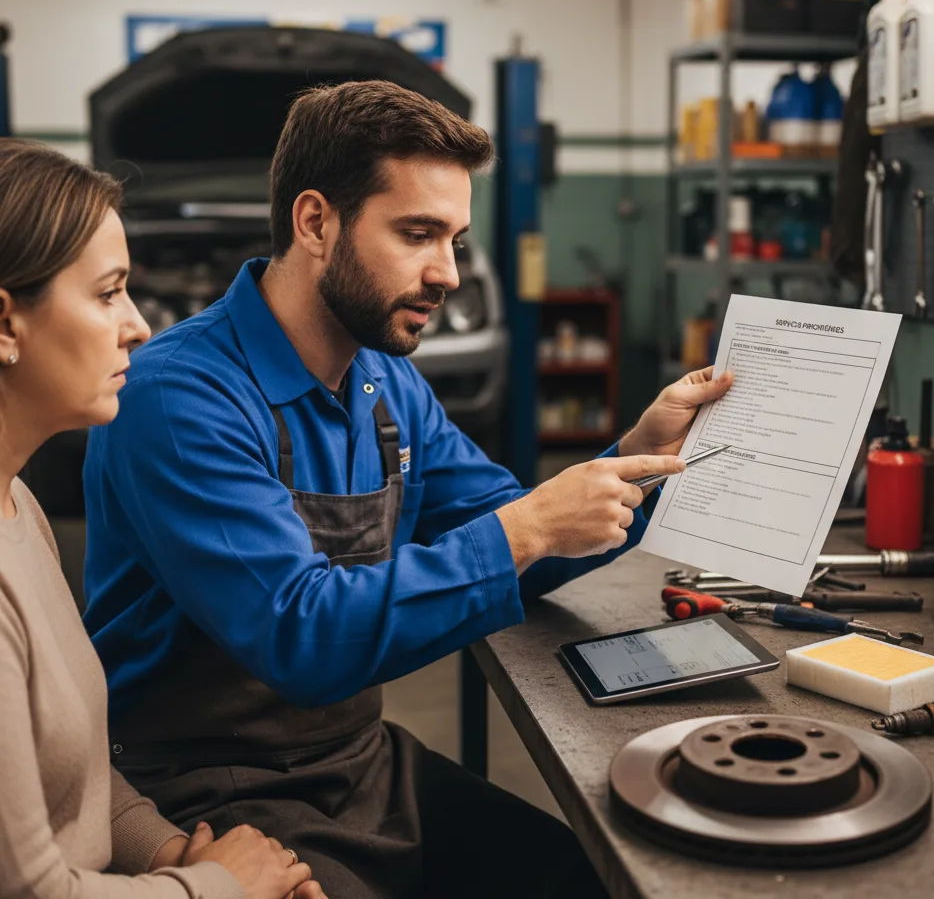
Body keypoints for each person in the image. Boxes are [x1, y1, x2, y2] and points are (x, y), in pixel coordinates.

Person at [82, 80, 733, 899]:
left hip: (364, 765)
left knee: (593, 879)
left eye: (456, 239)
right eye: (418, 234)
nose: (449, 273)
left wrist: (638, 458)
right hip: (213, 794)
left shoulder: (385, 381)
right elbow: (301, 638)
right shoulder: (179, 398)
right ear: (315, 222)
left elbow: (516, 535)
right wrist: (527, 528)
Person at [0, 139, 325, 899]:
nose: (140, 326)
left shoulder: (19, 505)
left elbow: (69, 779)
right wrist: (216, 887)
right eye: (109, 293)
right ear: (6, 325)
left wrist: (169, 849)